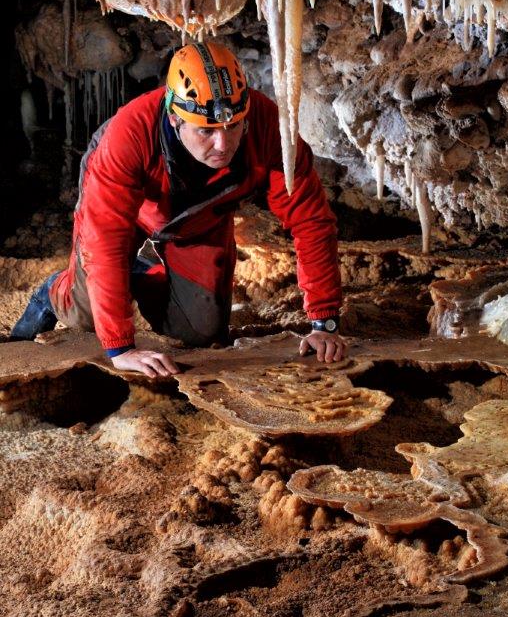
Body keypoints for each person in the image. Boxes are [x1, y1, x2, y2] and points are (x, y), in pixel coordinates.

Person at [11, 41, 346, 376]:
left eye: (233, 126)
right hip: (135, 205)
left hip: (201, 215)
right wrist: (120, 346)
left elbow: (311, 219)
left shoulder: (267, 126)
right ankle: (56, 291)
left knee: (199, 334)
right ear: (174, 118)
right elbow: (106, 240)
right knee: (86, 315)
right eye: (206, 130)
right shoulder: (128, 136)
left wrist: (324, 320)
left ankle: (140, 272)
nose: (223, 144)